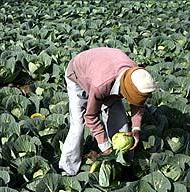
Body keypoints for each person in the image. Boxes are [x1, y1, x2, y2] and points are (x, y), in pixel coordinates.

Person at [58, 47, 157, 176]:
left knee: (121, 123)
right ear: (125, 92)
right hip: (78, 73)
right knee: (78, 125)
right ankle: (68, 168)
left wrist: (136, 129)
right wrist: (105, 146)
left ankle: (120, 165)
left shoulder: (136, 75)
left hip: (105, 71)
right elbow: (91, 116)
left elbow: (137, 104)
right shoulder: (101, 85)